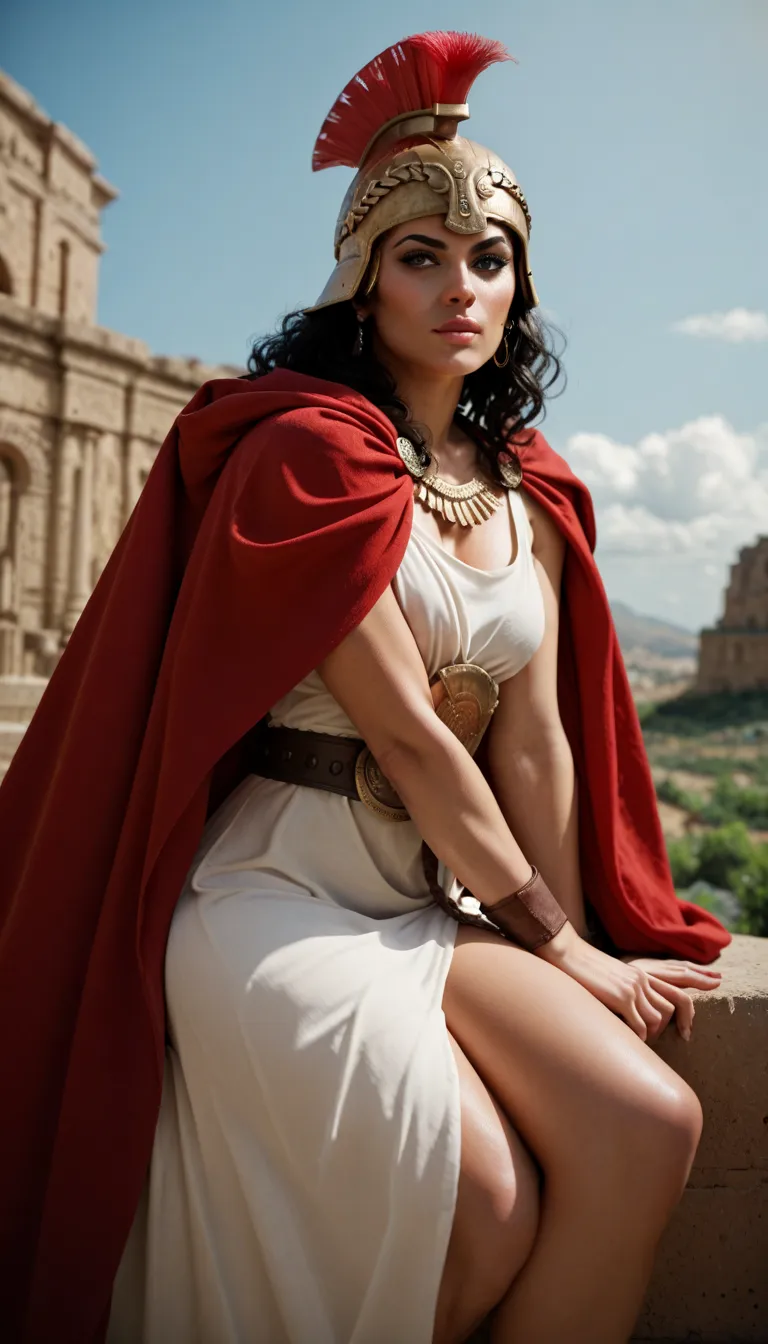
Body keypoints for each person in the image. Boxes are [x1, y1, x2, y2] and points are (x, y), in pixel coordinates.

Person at [0, 30, 730, 1344]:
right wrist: (558, 949)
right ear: (361, 280)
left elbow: (536, 744)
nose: (461, 284)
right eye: (421, 255)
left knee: (647, 1123)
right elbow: (409, 732)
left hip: (425, 900)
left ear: (521, 285)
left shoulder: (532, 491)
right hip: (270, 897)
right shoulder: (306, 457)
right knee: (488, 1211)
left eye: (490, 258)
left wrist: (571, 946)